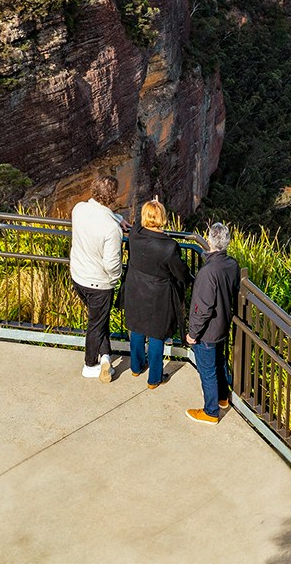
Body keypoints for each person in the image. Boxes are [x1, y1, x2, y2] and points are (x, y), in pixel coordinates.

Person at [122, 197, 192, 390]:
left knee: (135, 328)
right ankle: (154, 378)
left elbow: (136, 225)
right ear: (163, 218)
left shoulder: (135, 234)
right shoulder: (168, 247)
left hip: (135, 289)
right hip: (157, 295)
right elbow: (181, 273)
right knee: (156, 335)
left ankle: (136, 367)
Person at [70, 173, 124, 383]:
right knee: (96, 323)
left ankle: (105, 356)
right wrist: (116, 277)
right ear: (112, 197)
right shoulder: (111, 230)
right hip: (99, 284)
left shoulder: (79, 209)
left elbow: (101, 214)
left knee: (99, 319)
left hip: (78, 277)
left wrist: (119, 219)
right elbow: (112, 265)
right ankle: (89, 364)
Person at [185, 221, 240, 425]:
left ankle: (210, 411)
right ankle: (223, 398)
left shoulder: (208, 272)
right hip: (223, 325)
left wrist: (193, 334)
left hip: (208, 331)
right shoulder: (231, 264)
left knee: (207, 371)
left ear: (209, 240)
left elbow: (203, 308)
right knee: (219, 362)